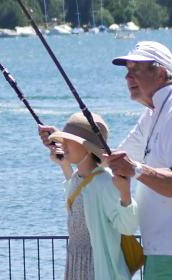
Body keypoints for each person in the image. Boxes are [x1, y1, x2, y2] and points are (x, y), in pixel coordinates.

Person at [76, 41, 172, 280]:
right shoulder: (156, 112)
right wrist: (66, 141)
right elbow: (113, 158)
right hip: (167, 244)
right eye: (127, 70)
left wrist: (136, 169)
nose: (128, 77)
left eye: (136, 70)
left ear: (161, 72)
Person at [44, 112, 138, 279]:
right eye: (63, 141)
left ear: (87, 147)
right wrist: (64, 166)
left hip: (97, 267)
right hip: (76, 262)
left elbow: (127, 227)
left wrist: (125, 193)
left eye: (69, 142)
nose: (63, 146)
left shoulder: (105, 181)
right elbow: (76, 199)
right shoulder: (76, 179)